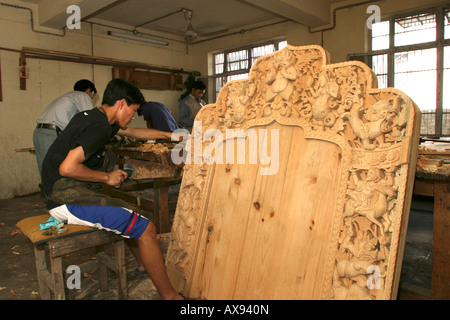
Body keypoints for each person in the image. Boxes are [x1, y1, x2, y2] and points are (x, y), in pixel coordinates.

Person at [41, 78, 193, 300]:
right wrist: (106, 177)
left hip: (68, 190)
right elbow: (67, 167)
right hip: (65, 198)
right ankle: (172, 297)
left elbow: (132, 133)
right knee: (147, 228)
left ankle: (143, 265)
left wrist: (169, 135)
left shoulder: (99, 118)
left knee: (130, 213)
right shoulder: (99, 126)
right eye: (132, 111)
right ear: (122, 104)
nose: (133, 116)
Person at [33, 79, 97, 176]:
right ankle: (54, 190)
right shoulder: (82, 95)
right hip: (50, 133)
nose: (91, 98)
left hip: (39, 132)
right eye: (92, 95)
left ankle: (47, 190)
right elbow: (92, 118)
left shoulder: (67, 97)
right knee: (53, 169)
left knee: (45, 168)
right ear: (89, 91)